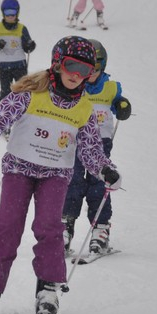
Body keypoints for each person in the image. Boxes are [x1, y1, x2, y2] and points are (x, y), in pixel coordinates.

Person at [0, 36, 121, 314]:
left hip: (56, 174)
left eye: (85, 70)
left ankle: (48, 289)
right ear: (58, 63)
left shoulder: (83, 108)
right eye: (72, 66)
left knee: (50, 228)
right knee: (8, 226)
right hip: (19, 170)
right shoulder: (31, 95)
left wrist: (105, 169)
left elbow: (90, 149)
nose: (77, 75)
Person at [62, 39, 131, 255]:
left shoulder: (110, 87)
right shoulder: (74, 85)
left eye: (95, 69)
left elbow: (118, 101)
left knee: (98, 185)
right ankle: (65, 226)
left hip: (101, 144)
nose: (90, 74)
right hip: (75, 141)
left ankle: (100, 229)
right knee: (72, 183)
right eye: (87, 68)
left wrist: (122, 105)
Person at [0, 0, 37, 102]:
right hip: (4, 66)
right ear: (3, 13)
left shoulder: (22, 28)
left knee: (23, 90)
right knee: (5, 92)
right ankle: (4, 110)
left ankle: (23, 109)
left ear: (17, 13)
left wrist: (30, 46)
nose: (10, 16)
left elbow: (26, 47)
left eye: (13, 13)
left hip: (19, 65)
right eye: (7, 13)